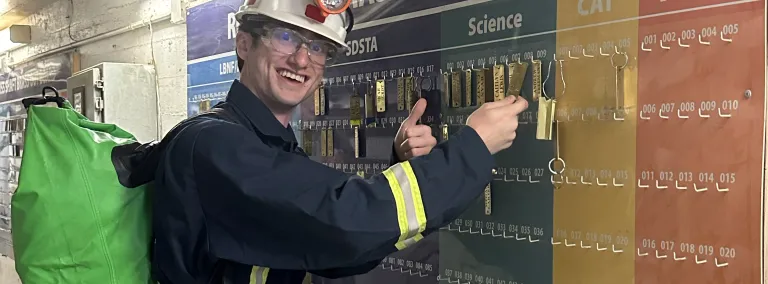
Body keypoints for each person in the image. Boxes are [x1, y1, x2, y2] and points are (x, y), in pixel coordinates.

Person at [150, 0, 529, 283]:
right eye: (286, 37)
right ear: (245, 44)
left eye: (317, 48)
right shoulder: (214, 145)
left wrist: (400, 165)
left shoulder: (266, 144)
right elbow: (345, 222)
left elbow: (332, 249)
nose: (301, 60)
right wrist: (473, 147)